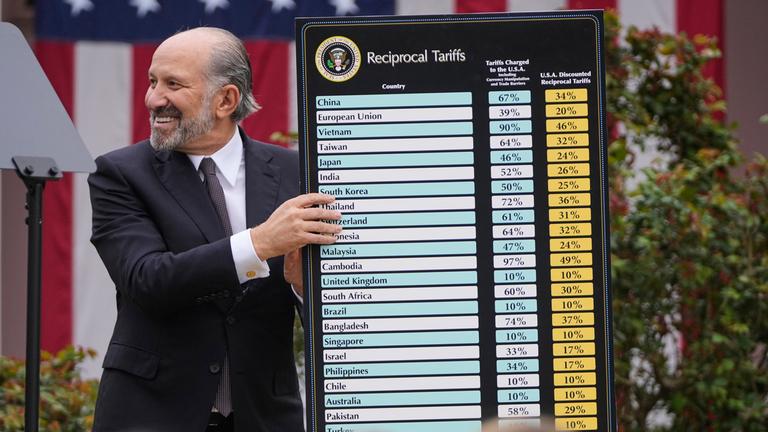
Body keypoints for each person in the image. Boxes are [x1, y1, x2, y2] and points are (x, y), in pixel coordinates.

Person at [88, 27, 341, 432]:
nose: (154, 99)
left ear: (226, 99)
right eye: (153, 81)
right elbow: (148, 280)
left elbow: (340, 308)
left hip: (264, 416)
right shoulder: (119, 174)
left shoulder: (298, 172)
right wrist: (259, 243)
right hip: (151, 415)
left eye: (173, 84)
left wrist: (301, 287)